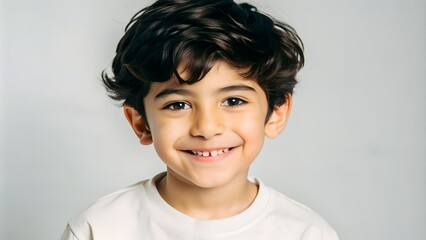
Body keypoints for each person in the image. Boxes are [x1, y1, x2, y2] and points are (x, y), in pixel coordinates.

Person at [61, 0, 339, 239]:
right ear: (141, 124)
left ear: (276, 113)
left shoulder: (307, 234)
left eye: (233, 101)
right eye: (178, 104)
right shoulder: (99, 229)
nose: (207, 128)